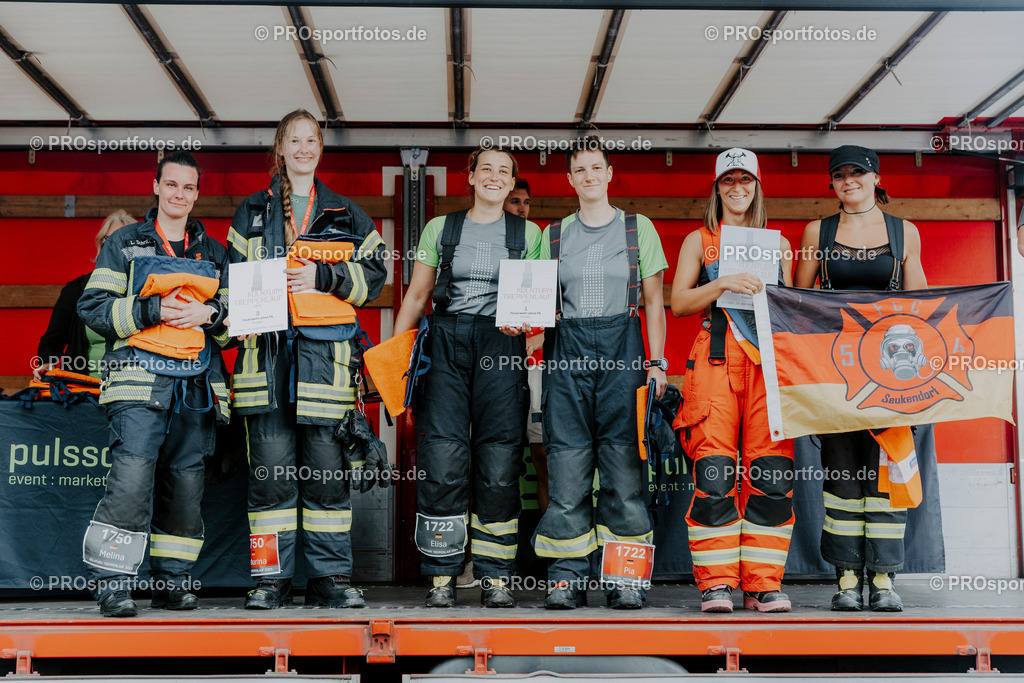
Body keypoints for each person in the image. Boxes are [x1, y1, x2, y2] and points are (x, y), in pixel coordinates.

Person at [228, 109, 387, 610]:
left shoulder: (345, 212)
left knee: (327, 479)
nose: (303, 148)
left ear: (321, 148)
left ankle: (330, 579)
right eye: (294, 140)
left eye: (311, 140)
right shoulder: (250, 212)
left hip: (325, 367)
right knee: (270, 481)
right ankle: (270, 580)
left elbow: (376, 276)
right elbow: (234, 284)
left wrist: (326, 279)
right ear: (280, 148)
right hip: (266, 364)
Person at [78, 151, 231, 617]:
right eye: (172, 185)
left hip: (196, 390)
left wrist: (212, 315)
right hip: (138, 386)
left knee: (185, 491)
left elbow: (234, 326)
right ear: (156, 186)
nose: (179, 194)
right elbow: (93, 309)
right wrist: (151, 311)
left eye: (188, 188)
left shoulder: (214, 252)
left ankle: (172, 582)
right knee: (130, 484)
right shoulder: (124, 244)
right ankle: (113, 585)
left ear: (196, 194)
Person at [393, 147, 542, 608]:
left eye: (504, 171)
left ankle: (496, 576)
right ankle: (442, 574)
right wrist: (396, 358)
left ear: (511, 180)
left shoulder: (529, 232)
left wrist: (526, 321)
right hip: (447, 343)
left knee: (499, 463)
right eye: (487, 169)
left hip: (501, 345)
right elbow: (418, 295)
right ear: (472, 177)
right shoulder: (442, 228)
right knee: (441, 458)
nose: (495, 177)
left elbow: (534, 300)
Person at [533, 140, 668, 610]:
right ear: (569, 179)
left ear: (610, 174)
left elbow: (654, 302)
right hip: (566, 356)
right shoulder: (549, 236)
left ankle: (625, 577)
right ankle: (566, 577)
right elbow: (527, 298)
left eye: (596, 168)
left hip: (624, 353)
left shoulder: (638, 228)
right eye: (579, 170)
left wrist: (656, 362)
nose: (589, 176)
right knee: (567, 466)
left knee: (623, 468)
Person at [794, 145, 927, 612]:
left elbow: (923, 306)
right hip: (836, 373)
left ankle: (885, 580)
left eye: (857, 172)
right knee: (843, 473)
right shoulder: (818, 231)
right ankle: (848, 578)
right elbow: (798, 304)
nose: (848, 180)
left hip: (893, 373)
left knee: (887, 472)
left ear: (875, 178)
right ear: (832, 184)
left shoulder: (904, 231)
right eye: (839, 175)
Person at [670, 148, 795, 613]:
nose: (737, 188)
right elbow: (679, 303)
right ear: (717, 187)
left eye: (745, 179)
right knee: (716, 474)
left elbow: (796, 312)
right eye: (728, 180)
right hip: (716, 360)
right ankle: (716, 584)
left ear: (757, 185)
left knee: (772, 475)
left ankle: (763, 584)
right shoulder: (699, 240)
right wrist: (722, 282)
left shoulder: (779, 244)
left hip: (769, 364)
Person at [35, 210, 136, 380]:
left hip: (132, 391)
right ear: (100, 245)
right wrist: (47, 362)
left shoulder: (146, 290)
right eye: (109, 240)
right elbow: (53, 339)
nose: (115, 247)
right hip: (84, 388)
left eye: (124, 242)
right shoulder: (76, 289)